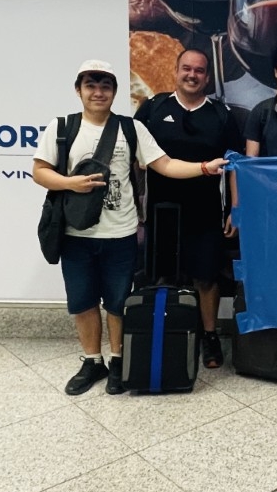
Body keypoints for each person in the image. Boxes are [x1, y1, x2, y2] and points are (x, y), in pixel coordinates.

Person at [33, 59, 227, 395]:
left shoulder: (131, 129)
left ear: (114, 92)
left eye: (105, 86)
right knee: (82, 302)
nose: (98, 92)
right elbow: (39, 171)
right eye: (91, 86)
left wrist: (204, 168)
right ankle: (92, 360)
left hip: (120, 234)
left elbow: (165, 164)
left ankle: (118, 361)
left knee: (118, 302)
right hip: (76, 233)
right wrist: (70, 183)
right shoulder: (62, 127)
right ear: (78, 90)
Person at [134, 48, 242, 369]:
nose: (192, 75)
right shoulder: (153, 108)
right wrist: (135, 204)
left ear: (207, 77)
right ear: (176, 71)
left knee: (206, 278)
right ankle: (166, 337)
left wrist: (235, 208)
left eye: (199, 70)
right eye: (187, 69)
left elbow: (235, 166)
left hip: (205, 211)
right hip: (161, 211)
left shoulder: (221, 115)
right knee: (162, 276)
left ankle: (209, 336)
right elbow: (134, 159)